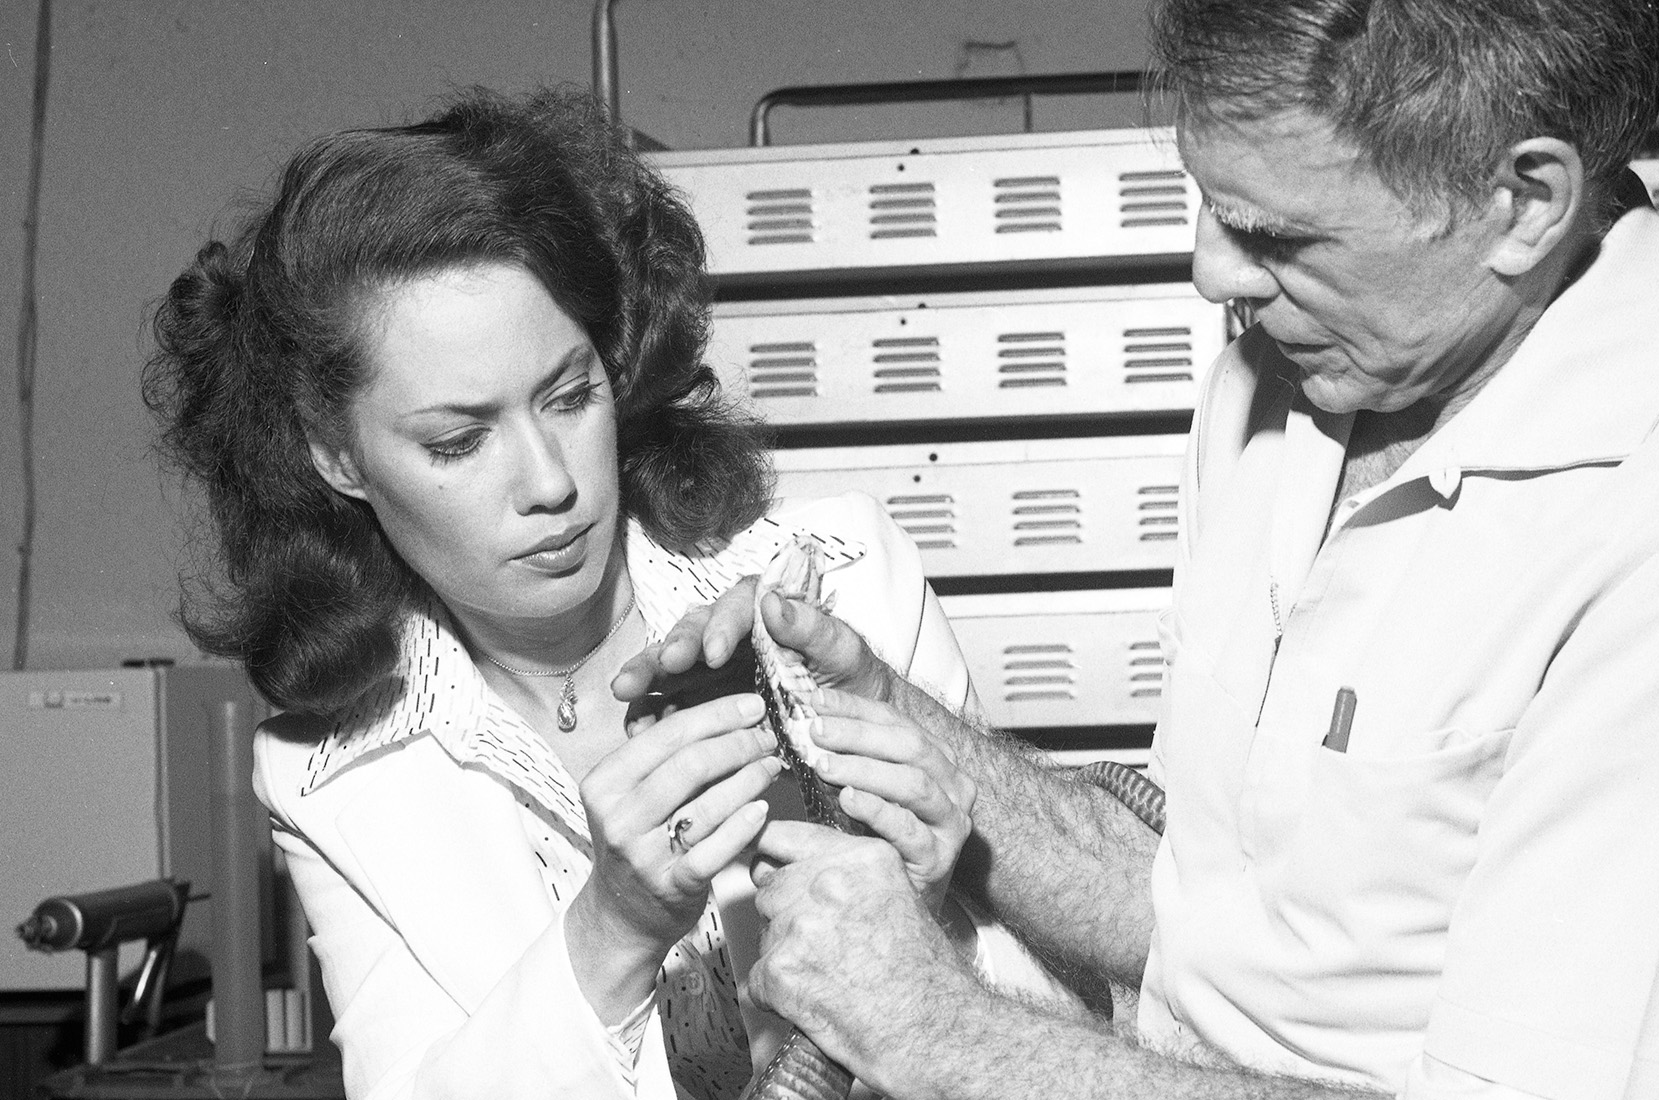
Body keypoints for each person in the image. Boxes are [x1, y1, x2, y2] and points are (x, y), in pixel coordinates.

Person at [625, 1, 1659, 1098]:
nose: (1207, 269)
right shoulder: (1288, 376)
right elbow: (1210, 912)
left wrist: (942, 1034)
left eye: (1276, 236)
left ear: (1524, 202)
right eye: (1210, 209)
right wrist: (902, 728)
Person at [144, 87, 1055, 1100]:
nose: (550, 481)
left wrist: (916, 908)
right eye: (458, 439)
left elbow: (1054, 999)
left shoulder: (840, 578)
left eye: (569, 395)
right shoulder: (329, 772)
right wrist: (610, 927)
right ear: (337, 456)